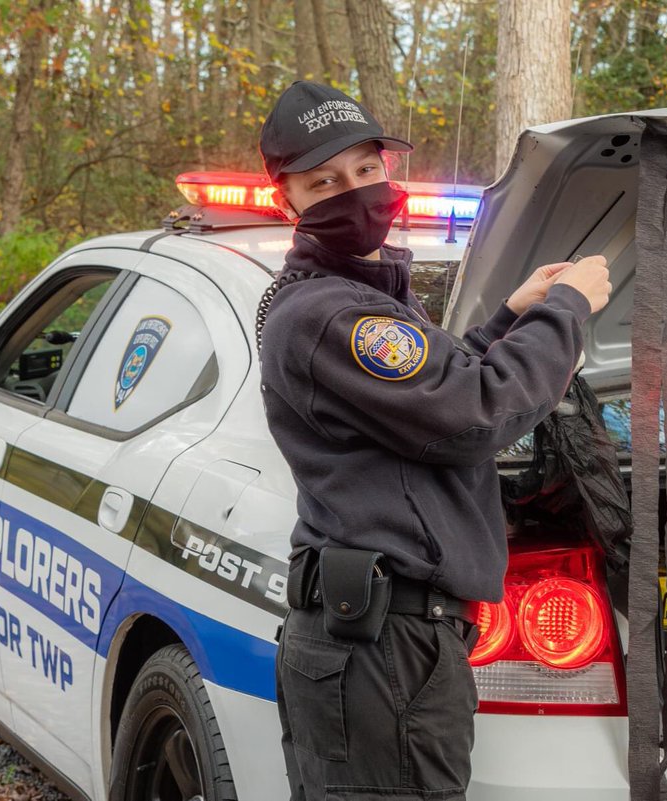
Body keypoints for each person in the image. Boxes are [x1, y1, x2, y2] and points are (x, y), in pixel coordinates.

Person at [255, 80, 611, 801]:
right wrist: (568, 311)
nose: (352, 191)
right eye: (323, 181)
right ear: (286, 201)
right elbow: (472, 414)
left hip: (384, 642)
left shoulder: (363, 297)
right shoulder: (333, 312)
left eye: (365, 169)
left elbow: (422, 396)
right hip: (385, 650)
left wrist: (511, 318)